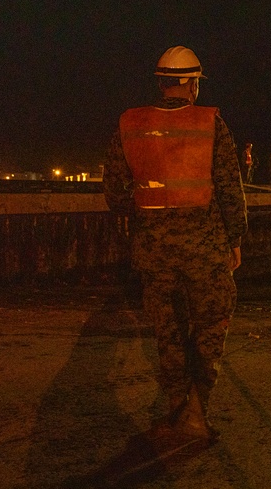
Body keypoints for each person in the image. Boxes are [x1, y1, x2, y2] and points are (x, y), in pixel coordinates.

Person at [103, 45, 247, 443]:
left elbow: (115, 194)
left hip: (154, 251)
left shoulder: (129, 125)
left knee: (167, 333)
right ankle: (197, 409)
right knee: (210, 326)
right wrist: (234, 239)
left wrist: (147, 216)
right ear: (192, 85)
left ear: (162, 83)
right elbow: (230, 190)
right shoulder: (212, 124)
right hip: (207, 249)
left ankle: (178, 407)